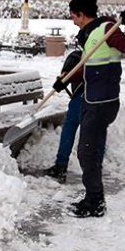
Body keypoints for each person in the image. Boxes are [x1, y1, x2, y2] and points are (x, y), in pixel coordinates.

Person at [57, 0, 125, 218]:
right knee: (90, 152)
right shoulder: (92, 34)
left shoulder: (105, 30)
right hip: (92, 99)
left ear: (82, 15)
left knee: (86, 153)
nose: (73, 22)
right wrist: (63, 80)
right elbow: (87, 65)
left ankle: (95, 201)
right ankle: (93, 197)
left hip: (102, 103)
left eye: (74, 17)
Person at [42, 49, 104, 184]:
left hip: (85, 97)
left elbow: (75, 74)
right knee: (96, 132)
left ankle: (61, 166)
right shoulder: (99, 54)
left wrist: (65, 79)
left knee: (70, 126)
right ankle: (95, 168)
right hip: (102, 97)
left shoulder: (78, 57)